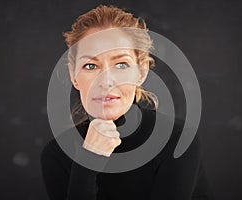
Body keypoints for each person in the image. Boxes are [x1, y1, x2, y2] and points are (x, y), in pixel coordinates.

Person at [41, 5, 211, 200]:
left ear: (141, 71)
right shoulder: (55, 155)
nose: (105, 81)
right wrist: (87, 161)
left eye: (121, 65)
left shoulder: (177, 139)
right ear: (74, 75)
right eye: (90, 66)